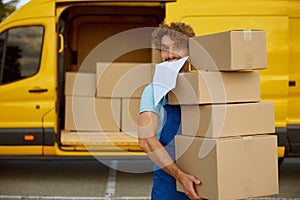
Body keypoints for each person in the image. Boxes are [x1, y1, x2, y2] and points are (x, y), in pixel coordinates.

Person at [138, 22, 202, 200]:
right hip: (169, 185)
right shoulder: (152, 91)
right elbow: (146, 141)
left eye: (177, 47)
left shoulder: (205, 88)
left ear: (190, 52)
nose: (170, 55)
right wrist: (180, 176)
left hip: (206, 182)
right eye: (164, 49)